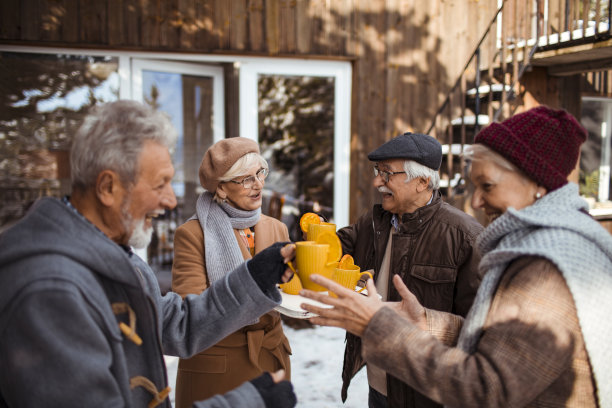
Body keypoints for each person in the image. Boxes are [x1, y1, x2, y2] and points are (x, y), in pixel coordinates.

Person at [300, 105, 612, 407]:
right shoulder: (536, 247)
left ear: (538, 184)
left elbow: (484, 389)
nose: (475, 201)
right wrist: (429, 323)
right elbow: (501, 342)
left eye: (487, 185)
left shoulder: (546, 267)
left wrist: (380, 326)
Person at [0, 100, 297, 408]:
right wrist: (248, 402)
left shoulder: (115, 255)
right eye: (160, 184)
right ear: (107, 187)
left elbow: (177, 325)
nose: (170, 201)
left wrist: (255, 276)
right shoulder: (49, 291)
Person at [336, 132, 484, 407]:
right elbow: (341, 245)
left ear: (422, 182)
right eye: (378, 171)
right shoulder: (376, 220)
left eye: (387, 174)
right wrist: (310, 243)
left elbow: (479, 330)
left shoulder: (466, 237)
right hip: (377, 383)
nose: (376, 181)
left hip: (428, 395)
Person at [172, 137, 292, 406]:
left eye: (260, 173)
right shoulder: (192, 234)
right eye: (245, 179)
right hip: (218, 369)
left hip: (271, 358)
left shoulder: (277, 228)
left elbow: (288, 291)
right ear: (222, 188)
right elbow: (189, 310)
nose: (258, 184)